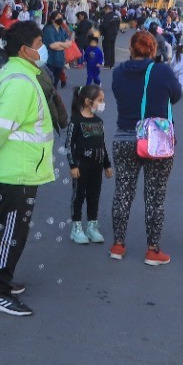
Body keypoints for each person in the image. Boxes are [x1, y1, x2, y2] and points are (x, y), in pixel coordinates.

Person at [0, 21, 55, 317]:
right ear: (24, 49)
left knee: (4, 227)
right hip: (18, 168)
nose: (42, 49)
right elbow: (2, 125)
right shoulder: (20, 80)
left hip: (13, 166)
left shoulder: (13, 73)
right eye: (39, 43)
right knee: (10, 231)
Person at [109, 30, 182, 265]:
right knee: (155, 196)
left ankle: (118, 245)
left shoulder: (119, 72)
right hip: (156, 141)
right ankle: (152, 250)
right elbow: (176, 95)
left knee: (123, 192)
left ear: (131, 49)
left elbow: (119, 94)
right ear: (153, 50)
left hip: (124, 138)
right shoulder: (162, 70)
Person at [66, 84, 111, 245]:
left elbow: (102, 144)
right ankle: (76, 227)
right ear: (87, 101)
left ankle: (92, 225)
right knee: (78, 196)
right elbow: (69, 145)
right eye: (100, 100)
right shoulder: (76, 121)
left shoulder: (99, 121)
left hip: (96, 166)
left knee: (94, 196)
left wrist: (107, 165)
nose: (102, 103)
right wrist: (73, 165)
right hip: (81, 165)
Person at [43, 13, 71, 88]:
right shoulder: (48, 30)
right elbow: (52, 46)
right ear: (52, 19)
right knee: (49, 82)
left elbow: (69, 43)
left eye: (61, 17)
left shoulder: (62, 29)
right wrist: (64, 45)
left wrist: (59, 44)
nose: (60, 18)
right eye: (58, 17)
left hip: (60, 60)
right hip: (50, 60)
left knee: (55, 82)